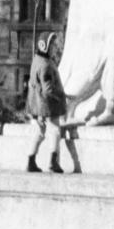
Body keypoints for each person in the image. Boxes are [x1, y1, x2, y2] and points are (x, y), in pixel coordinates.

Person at [25, 33, 77, 175]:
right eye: (52, 45)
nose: (54, 48)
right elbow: (48, 89)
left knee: (39, 132)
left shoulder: (37, 60)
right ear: (44, 46)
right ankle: (53, 162)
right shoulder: (46, 65)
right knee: (54, 130)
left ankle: (31, 160)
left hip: (36, 104)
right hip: (47, 105)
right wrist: (62, 97)